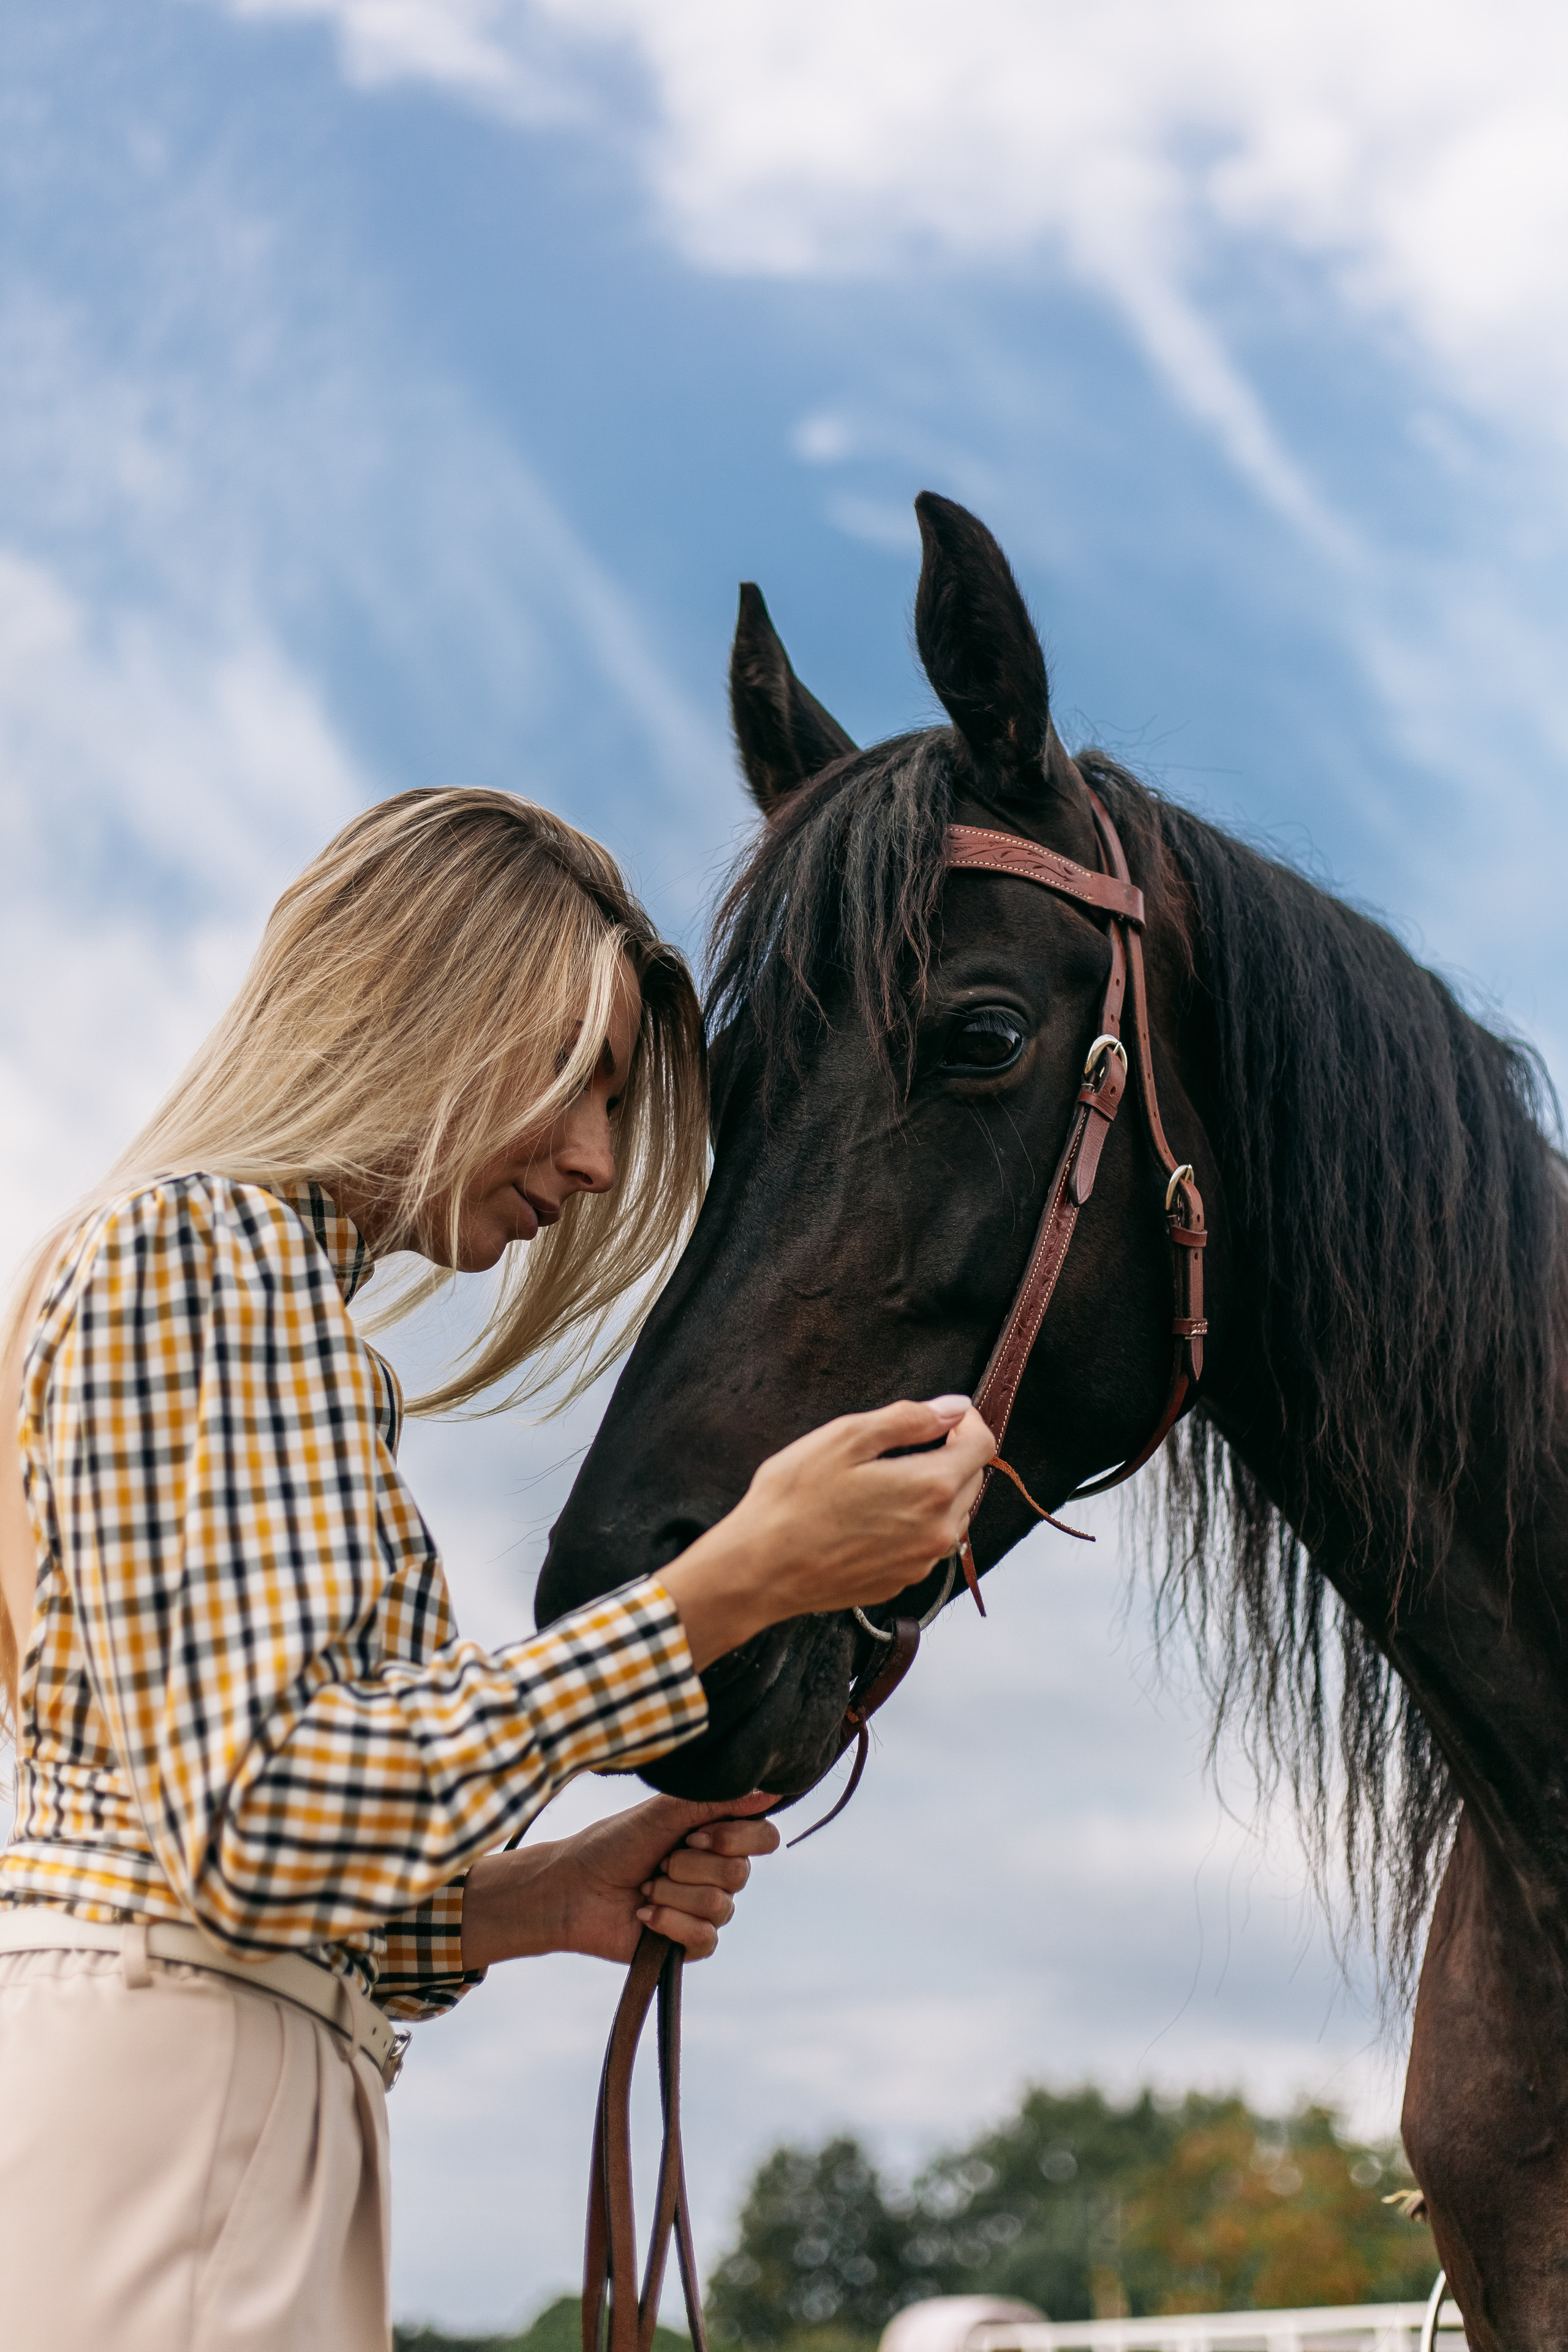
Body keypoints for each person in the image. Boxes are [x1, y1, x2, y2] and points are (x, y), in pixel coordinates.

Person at [0, 787, 995, 2352]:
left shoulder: (245, 1298)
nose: (596, 1159)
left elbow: (222, 1864)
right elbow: (259, 1817)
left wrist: (531, 1903)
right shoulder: (204, 1254)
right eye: (578, 1076)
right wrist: (723, 1590)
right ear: (422, 1007)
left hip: (208, 2094)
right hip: (181, 2097)